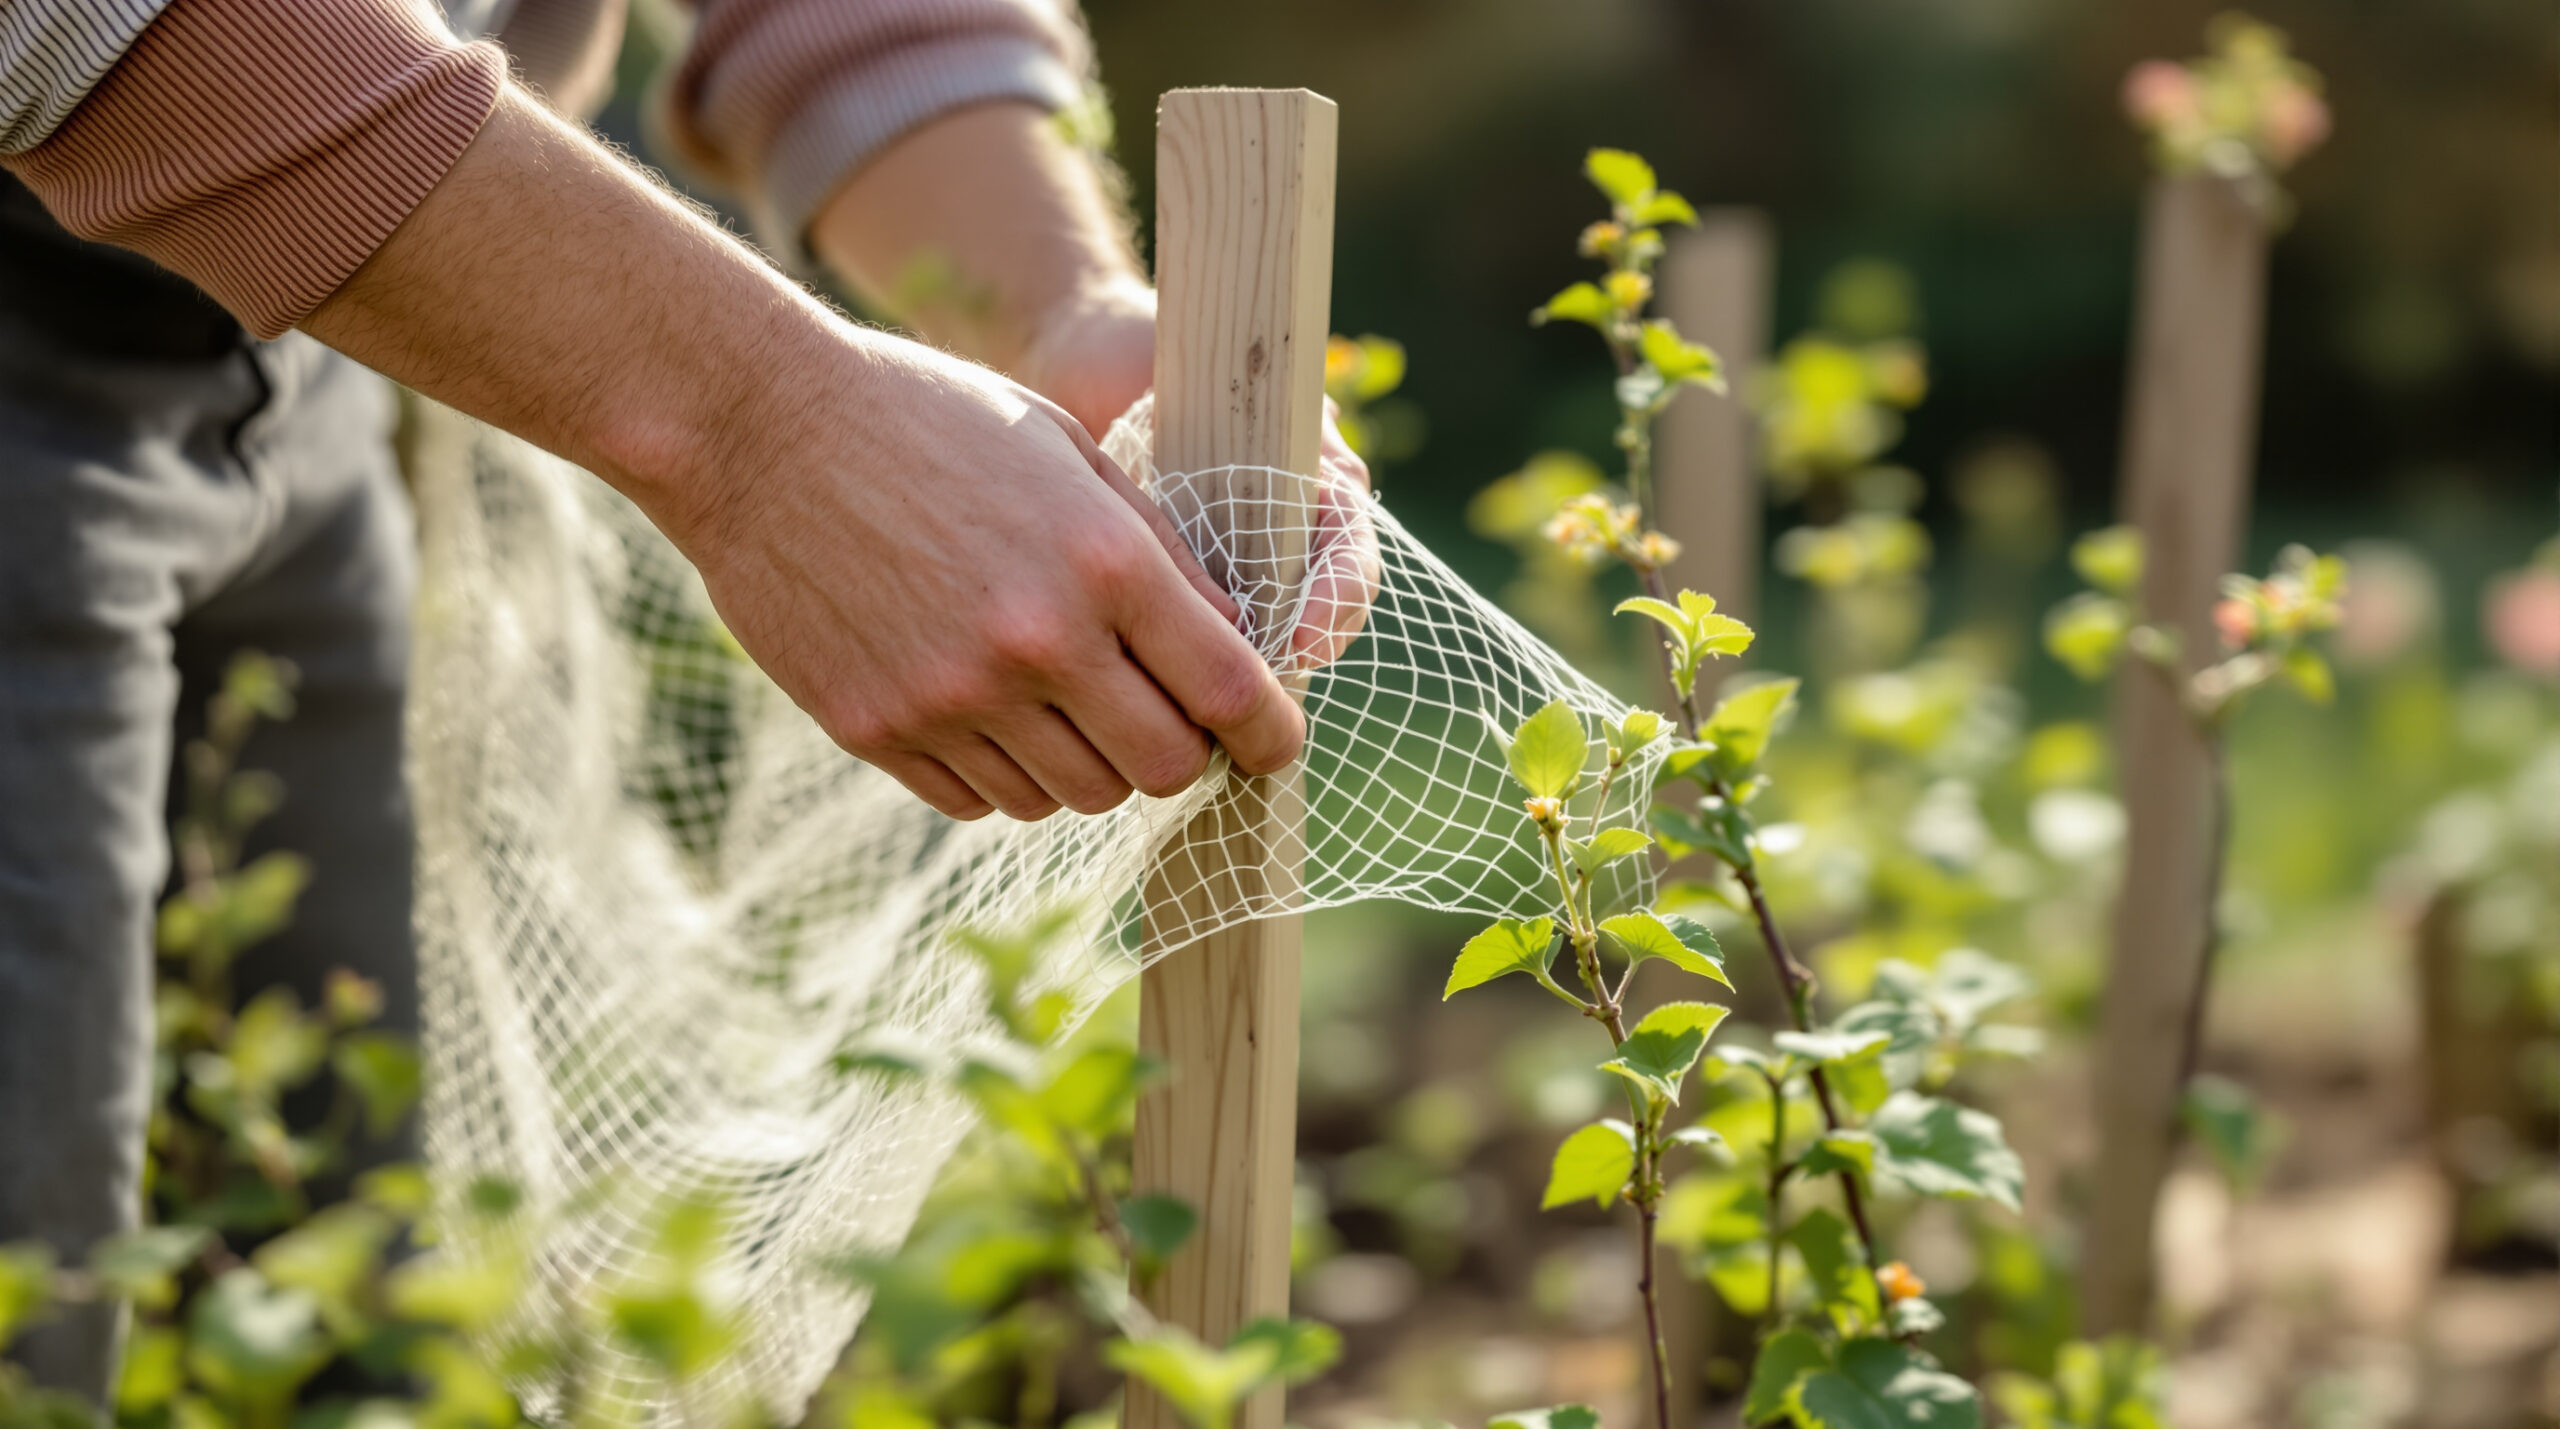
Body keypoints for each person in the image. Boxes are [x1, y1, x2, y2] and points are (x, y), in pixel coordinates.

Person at [0, 0, 1368, 1403]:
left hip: (318, 338)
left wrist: (1050, 301)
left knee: (358, 1276)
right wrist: (763, 429)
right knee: (30, 1282)